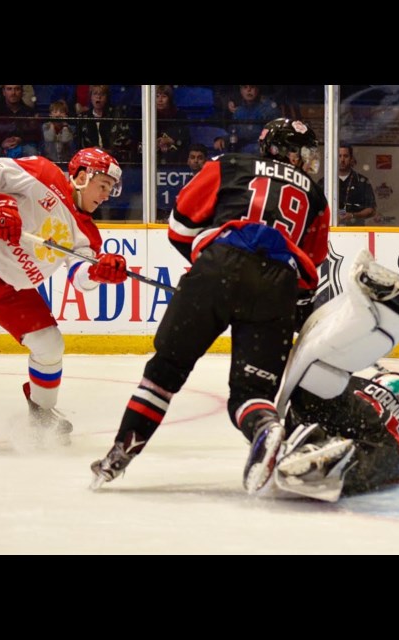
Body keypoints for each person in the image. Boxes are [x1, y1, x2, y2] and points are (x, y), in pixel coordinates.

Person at [89, 118, 330, 491]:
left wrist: (210, 268)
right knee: (252, 394)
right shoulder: (317, 197)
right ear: (286, 152)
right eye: (303, 152)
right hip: (277, 286)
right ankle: (266, 429)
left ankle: (120, 453)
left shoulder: (228, 164)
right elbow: (308, 267)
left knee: (165, 371)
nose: (308, 160)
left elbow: (180, 227)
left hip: (216, 268)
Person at [0, 147, 128, 443]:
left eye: (110, 190)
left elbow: (80, 276)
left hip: (10, 288)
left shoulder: (88, 234)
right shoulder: (42, 172)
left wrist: (98, 273)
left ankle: (41, 414)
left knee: (49, 344)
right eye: (103, 185)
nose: (106, 195)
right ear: (82, 176)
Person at [263, 248, 399, 501]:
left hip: (313, 404)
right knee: (391, 456)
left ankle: (308, 440)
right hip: (354, 422)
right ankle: (336, 467)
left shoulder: (360, 384)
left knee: (319, 386)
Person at [317, 144, 376, 226]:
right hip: (331, 229)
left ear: (351, 159)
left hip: (356, 230)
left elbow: (371, 210)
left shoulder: (362, 181)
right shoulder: (325, 182)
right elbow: (316, 209)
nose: (342, 160)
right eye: (339, 156)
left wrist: (352, 216)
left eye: (346, 156)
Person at [0, 85, 40, 159]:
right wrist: (1, 142)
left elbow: (34, 135)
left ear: (22, 92)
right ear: (4, 92)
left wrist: (20, 140)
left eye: (17, 89)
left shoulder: (29, 112)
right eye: (9, 89)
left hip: (22, 144)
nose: (13, 93)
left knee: (32, 152)